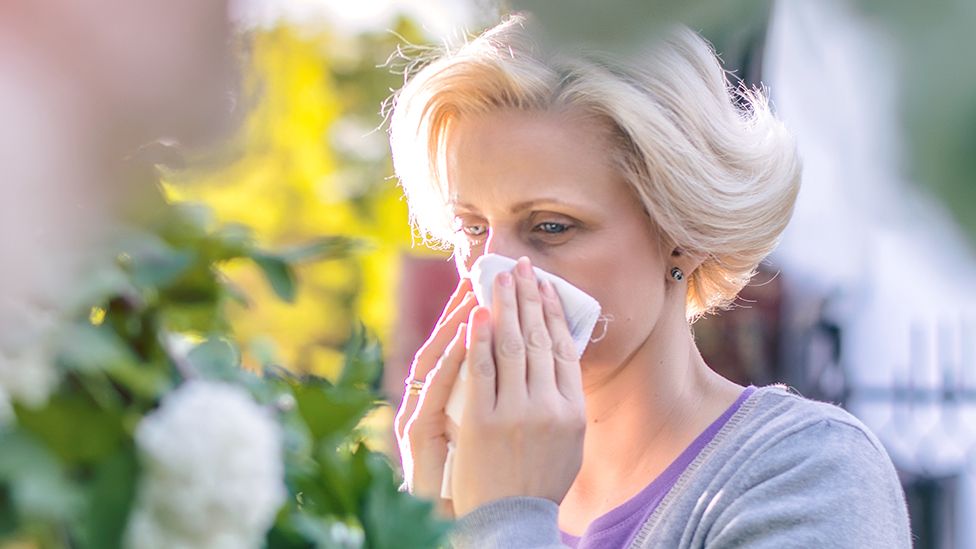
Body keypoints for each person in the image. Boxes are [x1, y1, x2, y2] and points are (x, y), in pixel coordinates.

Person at [388, 13, 911, 548]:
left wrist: (505, 520)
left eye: (550, 227)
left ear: (680, 229)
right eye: (472, 228)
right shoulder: (449, 487)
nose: (490, 271)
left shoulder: (808, 473)